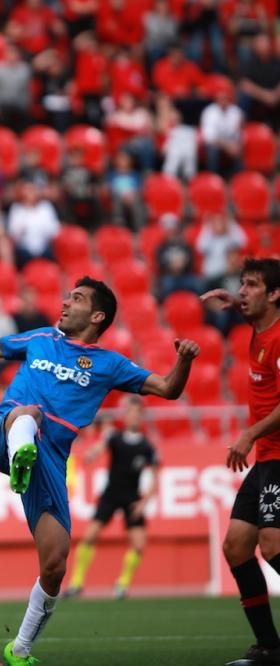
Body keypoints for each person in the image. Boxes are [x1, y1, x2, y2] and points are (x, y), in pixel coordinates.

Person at [0, 275, 200, 665]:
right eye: (67, 296)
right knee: (30, 412)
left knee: (56, 564)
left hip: (50, 461)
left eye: (75, 298)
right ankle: (20, 451)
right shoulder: (40, 338)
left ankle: (19, 649)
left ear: (97, 315)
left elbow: (168, 389)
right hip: (4, 432)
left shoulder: (110, 365)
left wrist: (184, 360)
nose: (64, 302)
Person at [201, 258, 280, 666]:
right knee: (236, 546)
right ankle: (269, 647)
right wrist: (237, 301)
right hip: (268, 457)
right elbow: (255, 311)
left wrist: (249, 433)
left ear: (275, 293)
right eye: (242, 285)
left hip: (278, 454)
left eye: (251, 285)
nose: (243, 291)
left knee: (272, 544)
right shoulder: (261, 328)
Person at [66, 396, 159, 599]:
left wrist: (144, 502)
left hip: (132, 498)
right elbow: (98, 449)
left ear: (141, 416)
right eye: (129, 412)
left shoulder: (147, 447)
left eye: (136, 413)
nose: (133, 416)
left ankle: (122, 585)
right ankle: (76, 583)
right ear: (125, 416)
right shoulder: (114, 438)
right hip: (111, 494)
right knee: (90, 536)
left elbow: (155, 478)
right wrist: (91, 455)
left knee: (139, 544)